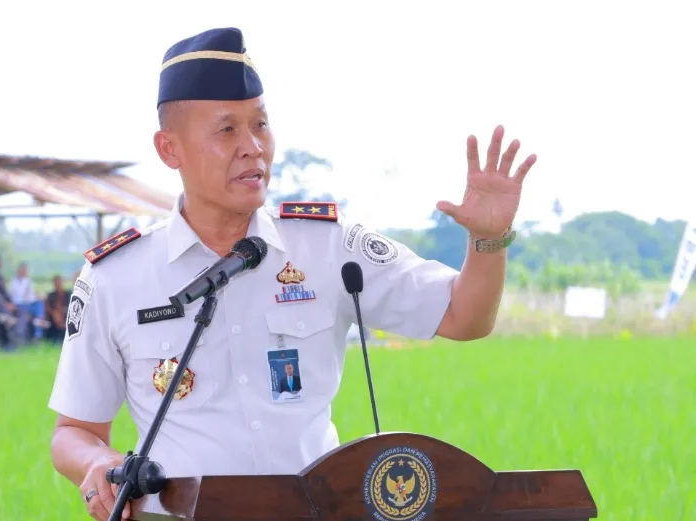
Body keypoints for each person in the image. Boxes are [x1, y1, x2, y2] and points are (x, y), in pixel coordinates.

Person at [48, 27, 537, 521]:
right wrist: (99, 463)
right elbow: (74, 431)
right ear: (169, 149)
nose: (253, 147)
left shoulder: (328, 247)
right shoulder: (116, 277)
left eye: (260, 124)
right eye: (227, 130)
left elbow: (463, 316)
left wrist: (488, 239)